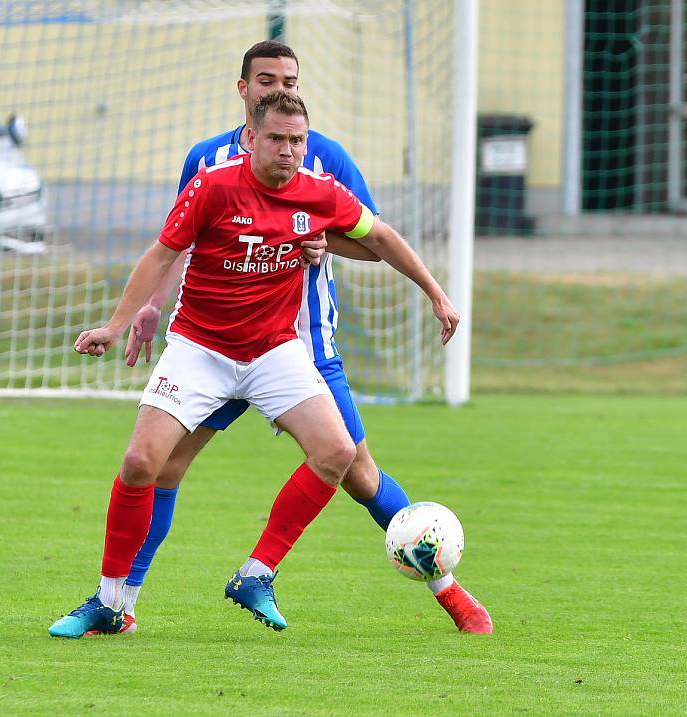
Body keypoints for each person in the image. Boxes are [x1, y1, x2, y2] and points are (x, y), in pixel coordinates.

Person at [116, 41, 493, 635]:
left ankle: (448, 589)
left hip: (301, 347)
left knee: (359, 473)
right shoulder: (206, 159)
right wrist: (148, 308)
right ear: (244, 89)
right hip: (212, 342)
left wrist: (325, 245)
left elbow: (370, 241)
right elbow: (180, 241)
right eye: (265, 79)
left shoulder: (325, 159)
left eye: (287, 78)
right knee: (161, 468)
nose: (274, 88)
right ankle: (121, 603)